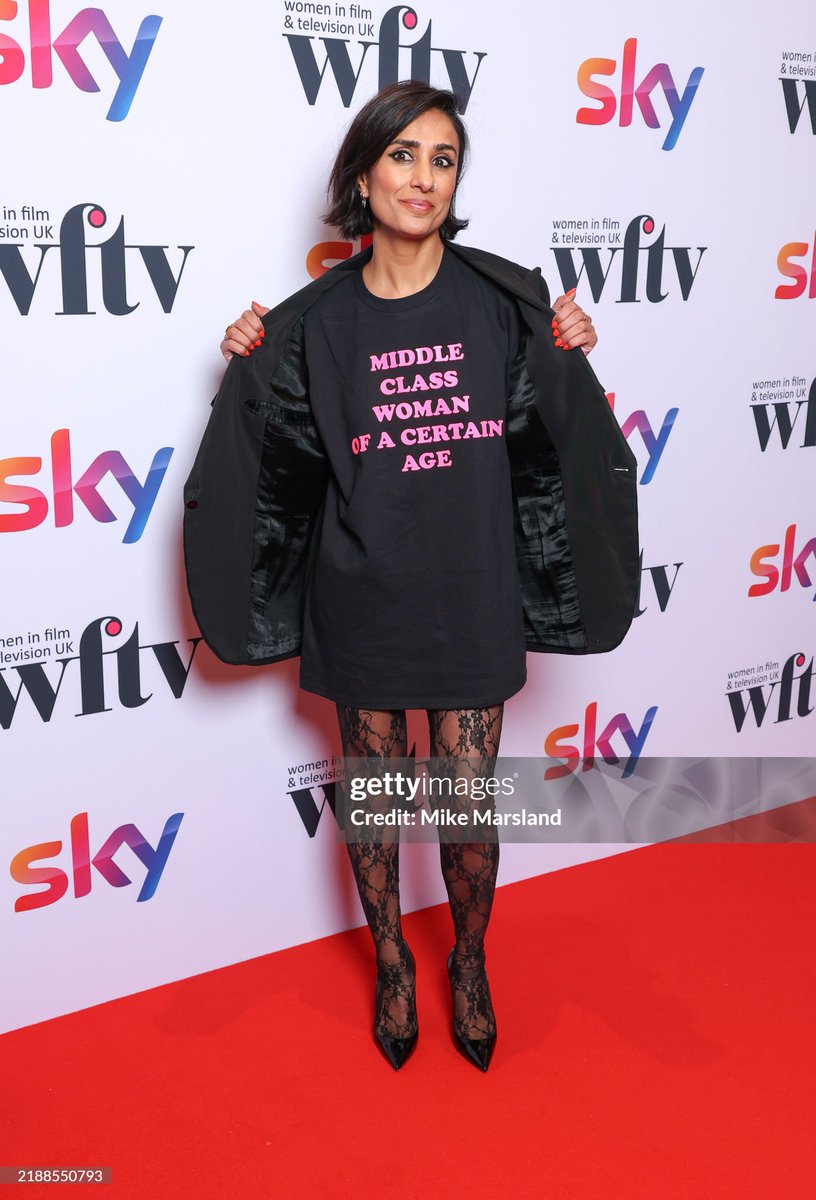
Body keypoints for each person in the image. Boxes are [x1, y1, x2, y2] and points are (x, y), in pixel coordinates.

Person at [184, 80, 639, 1073]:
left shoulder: (508, 301)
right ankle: (393, 960)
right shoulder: (309, 326)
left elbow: (555, 444)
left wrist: (573, 354)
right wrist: (243, 369)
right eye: (403, 155)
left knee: (470, 808)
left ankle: (466, 960)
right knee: (380, 803)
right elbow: (271, 462)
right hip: (362, 595)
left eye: (442, 159)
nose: (423, 178)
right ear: (363, 173)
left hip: (472, 592)